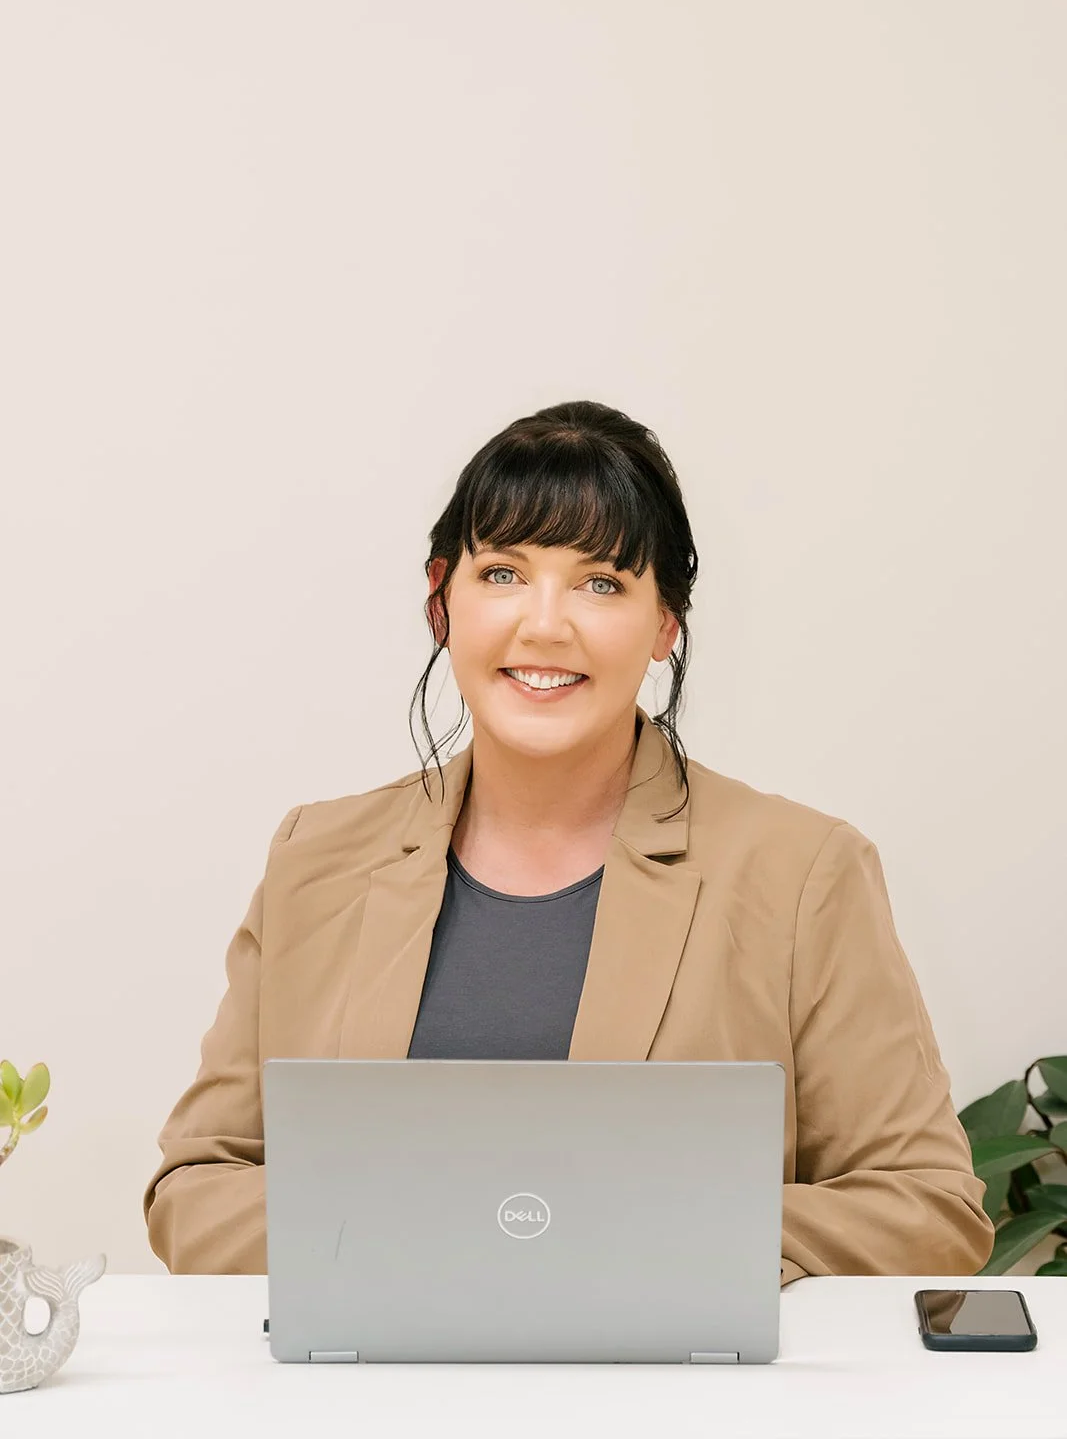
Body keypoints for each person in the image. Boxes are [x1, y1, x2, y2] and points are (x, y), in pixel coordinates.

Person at [143, 399, 995, 1283]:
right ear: (441, 601)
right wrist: (444, 1241)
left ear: (666, 623)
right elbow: (198, 1188)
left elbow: (926, 1208)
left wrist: (630, 1238)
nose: (543, 625)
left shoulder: (803, 871)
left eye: (601, 583)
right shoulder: (314, 858)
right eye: (503, 573)